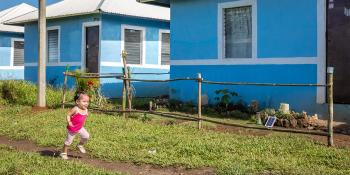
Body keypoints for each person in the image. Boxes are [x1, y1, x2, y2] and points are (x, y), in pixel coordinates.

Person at [60, 92, 90, 160]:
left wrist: (83, 121)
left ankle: (80, 145)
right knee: (68, 142)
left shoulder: (86, 110)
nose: (86, 103)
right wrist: (69, 121)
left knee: (86, 136)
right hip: (72, 129)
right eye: (84, 101)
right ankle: (63, 153)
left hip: (80, 128)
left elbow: (84, 117)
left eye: (87, 101)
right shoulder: (75, 109)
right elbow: (68, 115)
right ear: (77, 102)